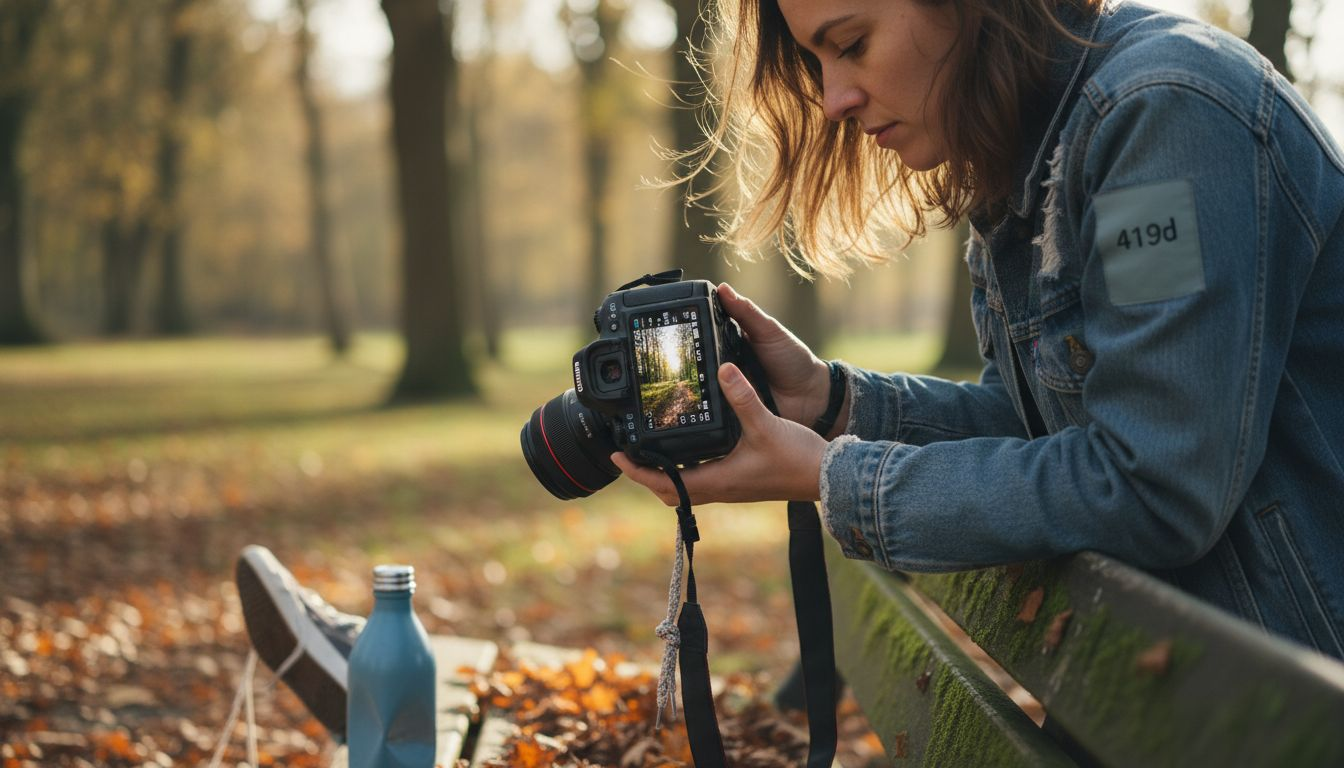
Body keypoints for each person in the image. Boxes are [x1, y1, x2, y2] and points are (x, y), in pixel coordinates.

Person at [612, 0, 1344, 660]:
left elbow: (1152, 482)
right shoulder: (1028, 153)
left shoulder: (1159, 123)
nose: (834, 100)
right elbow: (1038, 433)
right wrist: (832, 403)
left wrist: (830, 477)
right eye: (816, 60)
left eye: (852, 43)